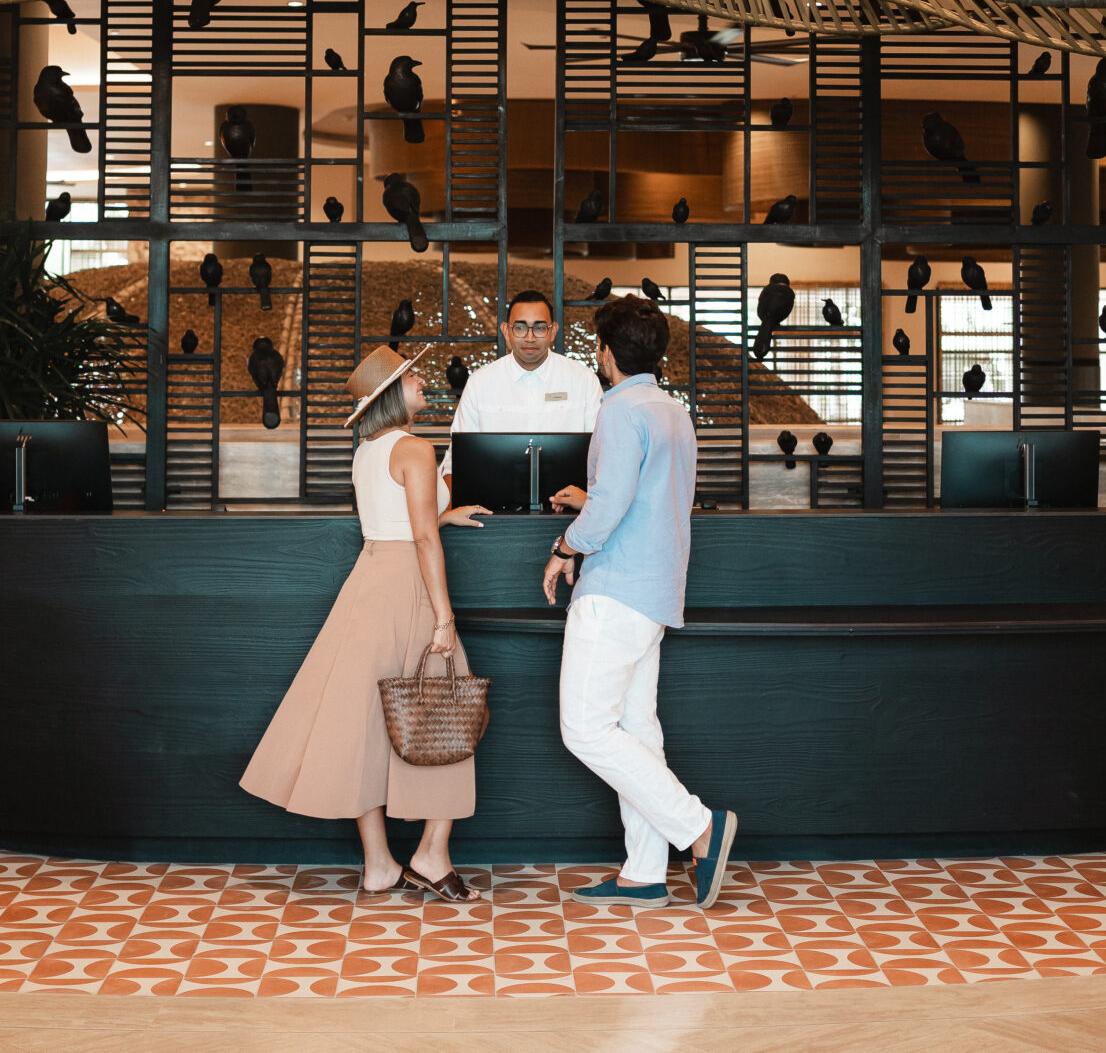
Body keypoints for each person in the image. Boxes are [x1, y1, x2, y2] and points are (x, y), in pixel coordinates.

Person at [241, 345, 492, 901]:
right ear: (392, 395)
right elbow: (422, 538)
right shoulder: (417, 449)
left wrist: (442, 515)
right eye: (411, 376)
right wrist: (444, 619)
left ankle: (379, 864)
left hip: (368, 580)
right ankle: (430, 853)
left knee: (365, 728)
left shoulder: (368, 451)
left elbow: (399, 522)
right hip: (408, 588)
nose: (423, 379)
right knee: (444, 712)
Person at [540, 295, 739, 909]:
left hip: (616, 588)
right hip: (656, 592)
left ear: (607, 355)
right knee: (636, 730)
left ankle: (700, 828)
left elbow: (614, 501)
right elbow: (645, 496)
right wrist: (593, 500)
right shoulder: (673, 411)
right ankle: (644, 871)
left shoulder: (621, 411)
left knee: (584, 729)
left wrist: (568, 544)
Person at [441, 288, 604, 506]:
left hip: (570, 515)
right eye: (519, 327)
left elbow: (603, 455)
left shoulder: (583, 381)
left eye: (539, 327)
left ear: (553, 331)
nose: (529, 337)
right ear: (506, 331)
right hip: (492, 514)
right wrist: (453, 523)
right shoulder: (480, 383)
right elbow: (456, 463)